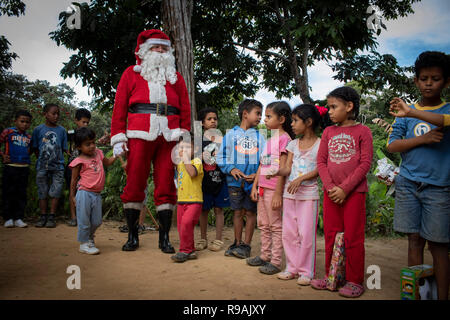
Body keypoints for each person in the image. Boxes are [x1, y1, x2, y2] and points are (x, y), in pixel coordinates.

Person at [110, 29, 191, 253]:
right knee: (135, 183)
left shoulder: (176, 78)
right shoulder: (131, 74)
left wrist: (185, 136)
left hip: (170, 135)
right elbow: (119, 108)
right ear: (146, 50)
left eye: (165, 48)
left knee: (166, 185)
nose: (161, 51)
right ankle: (132, 236)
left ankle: (164, 238)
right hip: (139, 134)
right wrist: (118, 136)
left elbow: (185, 107)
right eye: (156, 47)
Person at [387, 51, 449, 300]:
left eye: (435, 78)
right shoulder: (405, 114)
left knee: (439, 246)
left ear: (446, 82)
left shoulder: (442, 111)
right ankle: (413, 295)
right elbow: (392, 146)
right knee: (414, 240)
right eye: (424, 78)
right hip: (409, 184)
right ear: (416, 81)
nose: (429, 83)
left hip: (440, 187)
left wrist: (411, 113)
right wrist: (422, 139)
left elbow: (443, 120)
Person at [311, 86, 373, 298]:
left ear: (349, 106)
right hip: (331, 195)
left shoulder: (363, 131)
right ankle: (332, 276)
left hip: (354, 194)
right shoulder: (328, 132)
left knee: (353, 237)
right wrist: (330, 188)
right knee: (330, 235)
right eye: (328, 107)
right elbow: (321, 161)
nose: (329, 111)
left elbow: (365, 163)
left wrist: (345, 189)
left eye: (333, 106)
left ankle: (355, 281)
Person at [271, 104, 328, 285]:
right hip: (290, 195)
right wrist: (277, 172)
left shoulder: (320, 144)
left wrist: (301, 179)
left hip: (308, 196)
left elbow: (320, 169)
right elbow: (288, 168)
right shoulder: (293, 144)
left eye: (295, 120)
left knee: (306, 233)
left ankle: (306, 272)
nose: (292, 124)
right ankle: (291, 268)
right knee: (289, 233)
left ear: (309, 122)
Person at [247, 101, 293, 275]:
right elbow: (261, 165)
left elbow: (282, 168)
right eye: (264, 116)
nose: (264, 120)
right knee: (263, 224)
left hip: (274, 189)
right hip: (263, 188)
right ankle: (264, 256)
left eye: (268, 116)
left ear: (281, 119)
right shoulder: (269, 140)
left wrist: (278, 194)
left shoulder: (285, 139)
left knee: (275, 225)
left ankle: (275, 261)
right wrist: (255, 186)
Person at [217, 99, 265, 259]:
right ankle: (237, 243)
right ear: (245, 114)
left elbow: (265, 160)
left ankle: (246, 245)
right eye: (257, 113)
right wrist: (231, 168)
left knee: (250, 213)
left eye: (261, 114)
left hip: (253, 184)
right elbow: (221, 156)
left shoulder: (260, 137)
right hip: (234, 182)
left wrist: (258, 175)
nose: (260, 117)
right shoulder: (230, 135)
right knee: (237, 212)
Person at [69, 127, 117, 254]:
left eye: (93, 142)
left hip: (96, 194)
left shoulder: (99, 153)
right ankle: (84, 244)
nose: (92, 146)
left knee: (96, 221)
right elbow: (73, 181)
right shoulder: (78, 161)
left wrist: (117, 154)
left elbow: (108, 162)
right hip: (84, 193)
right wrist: (72, 197)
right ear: (79, 147)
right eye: (87, 144)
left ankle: (89, 237)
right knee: (84, 220)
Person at [195, 107, 230, 252]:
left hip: (220, 180)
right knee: (203, 211)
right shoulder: (198, 141)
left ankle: (219, 239)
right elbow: (194, 159)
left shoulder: (223, 141)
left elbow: (228, 158)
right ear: (202, 123)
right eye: (209, 119)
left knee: (218, 210)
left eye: (215, 119)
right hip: (203, 181)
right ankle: (203, 238)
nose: (213, 121)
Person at [31, 103, 68, 228]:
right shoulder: (38, 130)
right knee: (42, 191)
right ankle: (43, 216)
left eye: (58, 113)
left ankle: (52, 216)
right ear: (45, 114)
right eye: (53, 113)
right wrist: (42, 159)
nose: (56, 116)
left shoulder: (62, 131)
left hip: (58, 166)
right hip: (42, 165)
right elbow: (35, 147)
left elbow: (63, 148)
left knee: (56, 190)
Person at [171, 134, 204, 262]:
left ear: (195, 149)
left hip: (194, 201)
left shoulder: (197, 162)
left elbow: (191, 173)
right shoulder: (180, 164)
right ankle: (190, 250)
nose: (183, 150)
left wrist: (184, 158)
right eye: (181, 147)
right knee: (182, 227)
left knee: (186, 224)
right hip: (181, 201)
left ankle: (184, 251)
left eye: (187, 147)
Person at [1, 110, 32, 228]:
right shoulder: (8, 132)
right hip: (10, 167)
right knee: (8, 192)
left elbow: (30, 151)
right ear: (16, 121)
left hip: (24, 168)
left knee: (21, 193)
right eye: (22, 121)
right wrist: (3, 155)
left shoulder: (28, 137)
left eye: (27, 122)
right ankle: (8, 218)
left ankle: (19, 217)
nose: (24, 124)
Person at [65, 108, 91, 227]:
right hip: (72, 166)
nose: (85, 125)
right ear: (76, 121)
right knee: (73, 190)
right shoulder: (70, 134)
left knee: (86, 192)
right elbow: (62, 144)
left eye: (87, 122)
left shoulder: (88, 135)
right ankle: (73, 217)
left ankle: (84, 217)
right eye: (83, 122)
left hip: (86, 168)